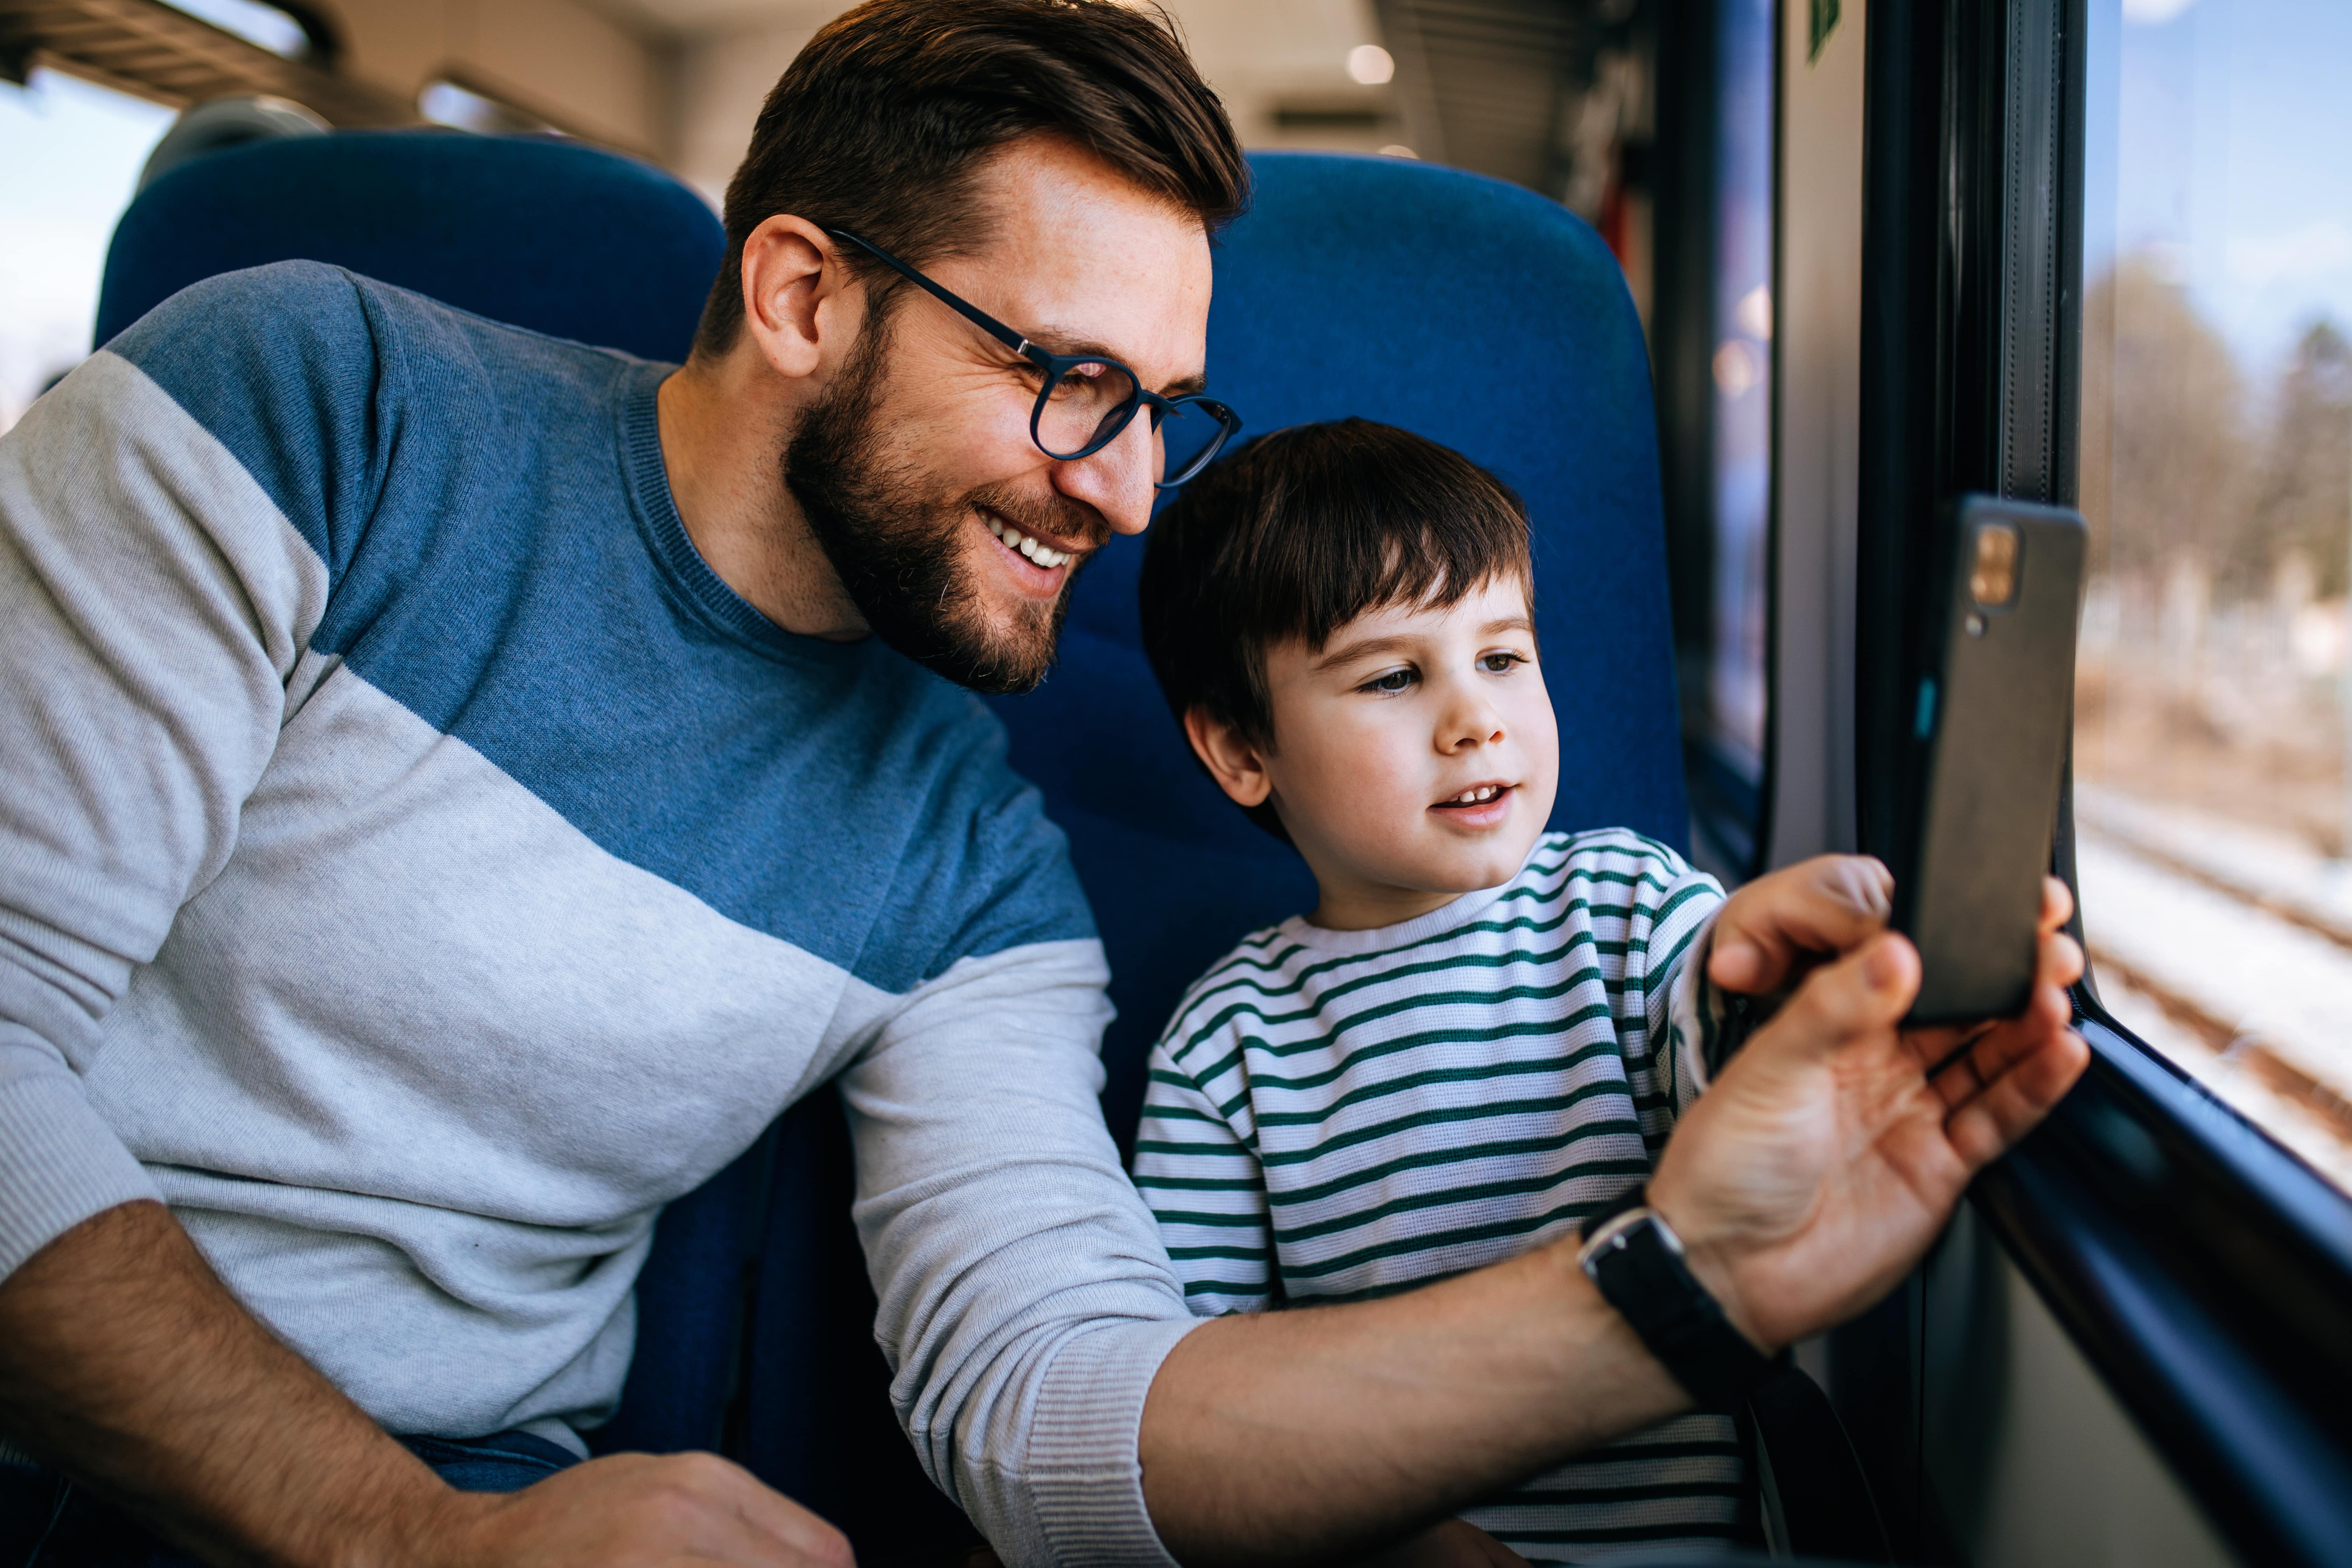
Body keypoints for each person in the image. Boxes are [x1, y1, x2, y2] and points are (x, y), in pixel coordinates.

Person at [0, 1, 2087, 1566]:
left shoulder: (963, 845)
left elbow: (1050, 1408)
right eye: (1072, 382)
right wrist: (403, 1542)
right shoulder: (299, 402)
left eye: (1163, 410)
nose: (1126, 493)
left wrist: (1692, 1286)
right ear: (805, 295)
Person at [1130, 420, 1920, 1563]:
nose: (1477, 719)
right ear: (1245, 752)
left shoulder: (1631, 907)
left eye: (1503, 656)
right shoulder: (1229, 1042)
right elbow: (1202, 1384)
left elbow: (1730, 1057)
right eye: (1396, 676)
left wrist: (1766, 964)